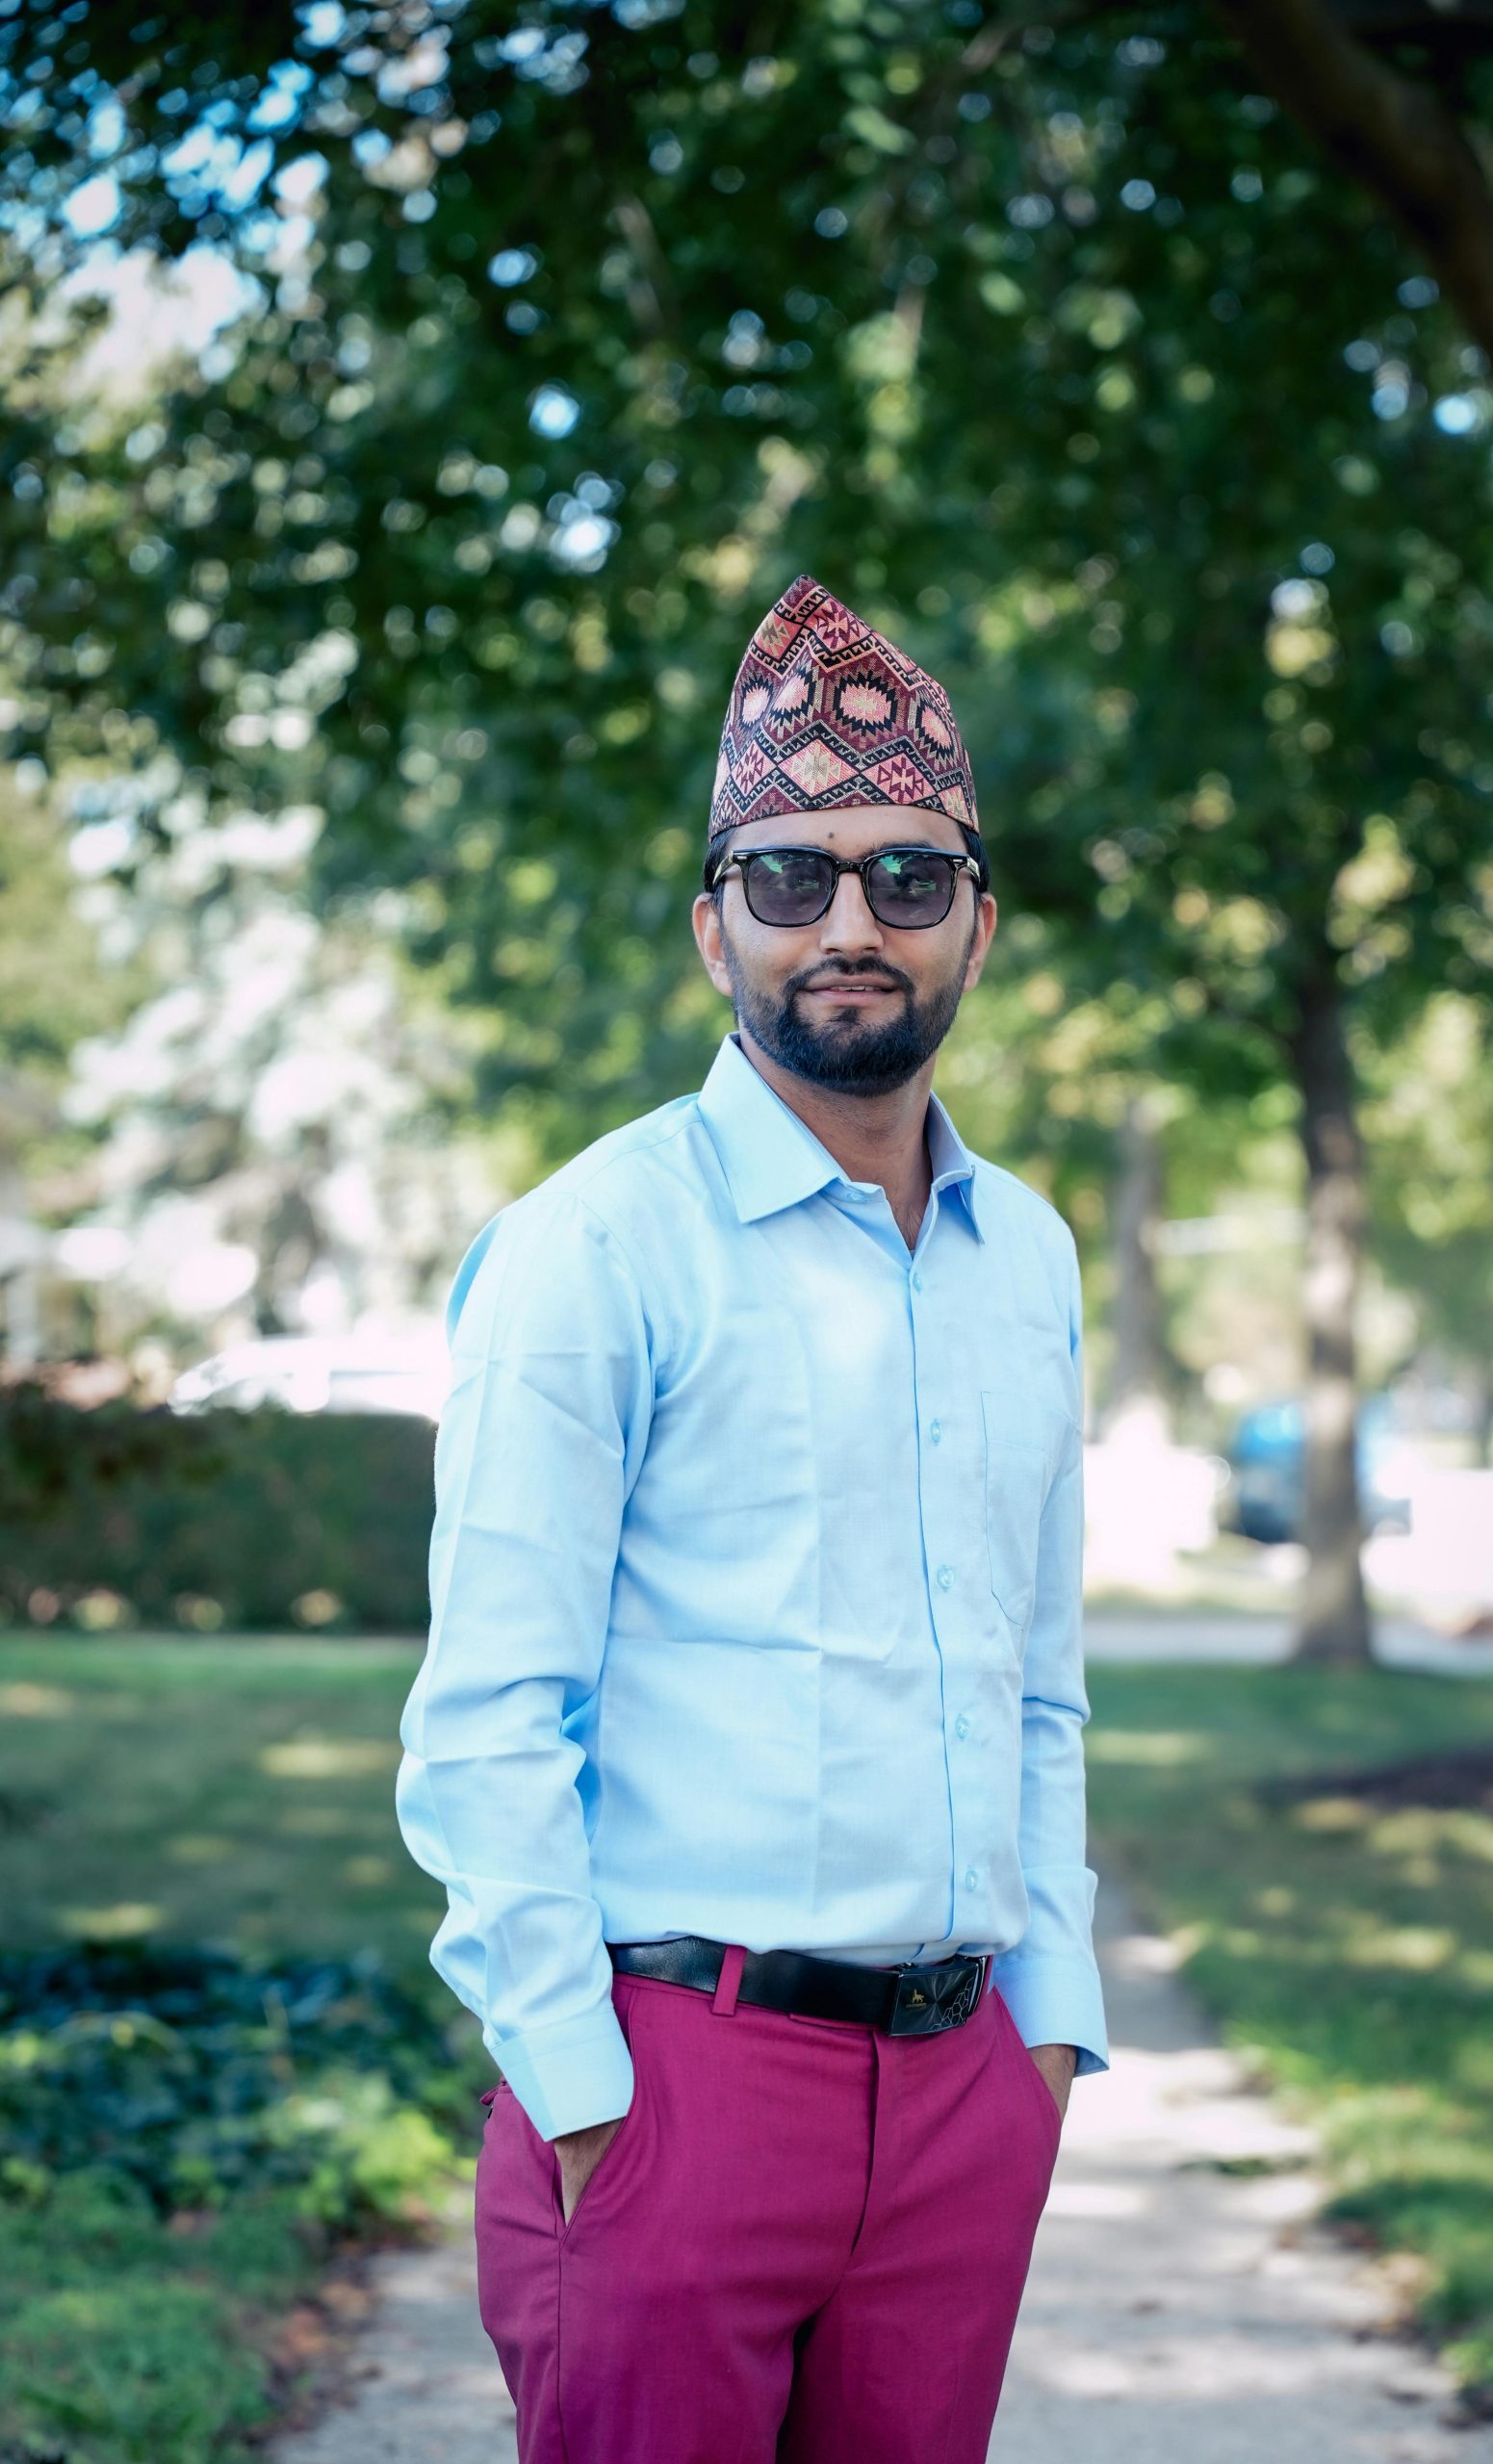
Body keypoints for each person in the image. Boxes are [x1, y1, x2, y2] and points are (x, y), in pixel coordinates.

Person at [396, 575, 1109, 2464]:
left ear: (977, 916)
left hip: (962, 2097)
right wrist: (580, 2093)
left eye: (902, 874)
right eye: (787, 877)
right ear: (715, 924)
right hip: (673, 2083)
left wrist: (1045, 2032)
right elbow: (488, 1713)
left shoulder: (1025, 1252)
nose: (847, 924)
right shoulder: (595, 1244)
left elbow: (1039, 1686)